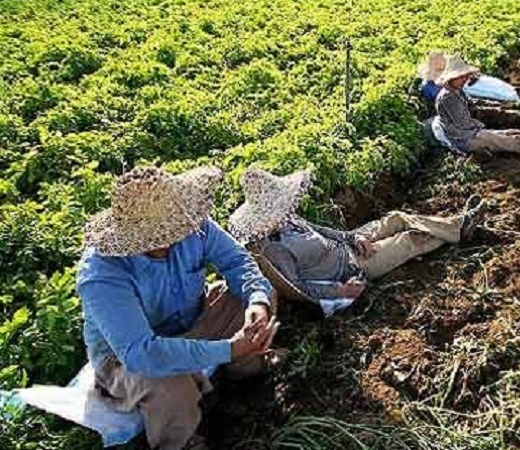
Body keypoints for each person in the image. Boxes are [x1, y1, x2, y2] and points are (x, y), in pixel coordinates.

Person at [77, 166, 278, 450]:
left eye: (173, 231)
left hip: (193, 321)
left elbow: (238, 263)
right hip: (128, 359)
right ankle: (182, 441)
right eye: (157, 239)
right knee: (170, 387)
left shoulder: (192, 224)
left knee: (255, 297)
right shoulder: (102, 273)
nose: (172, 240)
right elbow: (142, 353)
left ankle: (244, 372)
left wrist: (257, 301)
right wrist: (229, 348)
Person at [228, 167, 486, 302]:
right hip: (351, 268)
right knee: (408, 240)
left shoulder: (287, 219)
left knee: (397, 217)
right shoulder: (274, 250)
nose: (285, 210)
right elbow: (299, 288)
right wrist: (341, 291)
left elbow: (323, 230)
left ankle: (458, 226)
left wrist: (354, 238)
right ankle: (459, 230)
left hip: (350, 244)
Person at [433, 54, 520, 157]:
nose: (465, 79)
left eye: (465, 76)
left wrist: (497, 109)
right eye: (461, 77)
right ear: (451, 78)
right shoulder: (448, 98)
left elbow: (474, 105)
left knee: (513, 133)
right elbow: (464, 125)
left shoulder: (457, 91)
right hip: (465, 138)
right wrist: (490, 133)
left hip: (470, 132)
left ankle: (484, 150)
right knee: (514, 141)